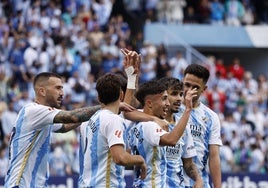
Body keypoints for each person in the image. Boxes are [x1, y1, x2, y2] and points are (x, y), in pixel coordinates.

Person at [4, 72, 133, 188]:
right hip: (21, 184)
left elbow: (66, 126)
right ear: (42, 91)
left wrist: (99, 114)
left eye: (62, 88)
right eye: (57, 88)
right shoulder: (32, 111)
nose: (62, 93)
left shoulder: (42, 117)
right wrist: (107, 106)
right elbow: (73, 116)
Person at [78, 73, 146, 187]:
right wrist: (140, 160)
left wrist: (132, 77)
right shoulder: (113, 120)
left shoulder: (88, 121)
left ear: (98, 98)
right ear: (121, 95)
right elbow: (120, 158)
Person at [126, 79, 197, 187]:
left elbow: (126, 110)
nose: (167, 103)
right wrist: (188, 110)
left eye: (181, 94)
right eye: (164, 99)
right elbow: (171, 140)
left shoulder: (136, 120)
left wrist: (132, 76)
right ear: (149, 103)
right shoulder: (150, 126)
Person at [176, 63, 222, 188]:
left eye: (195, 87)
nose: (190, 90)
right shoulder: (170, 108)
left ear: (204, 89)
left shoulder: (211, 117)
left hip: (199, 184)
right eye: (187, 85)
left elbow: (214, 156)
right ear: (182, 82)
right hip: (172, 182)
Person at [159, 77, 202, 187]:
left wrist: (198, 180)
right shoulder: (148, 121)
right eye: (174, 94)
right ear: (162, 96)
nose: (179, 99)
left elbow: (188, 163)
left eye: (180, 94)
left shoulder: (183, 125)